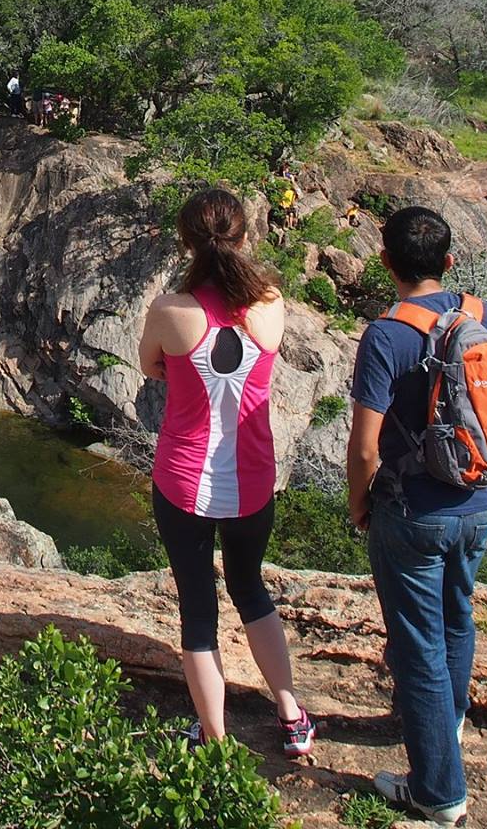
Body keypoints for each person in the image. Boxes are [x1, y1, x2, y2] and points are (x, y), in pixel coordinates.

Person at [347, 205, 487, 826]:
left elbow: (366, 445)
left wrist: (359, 503)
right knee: (457, 617)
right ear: (450, 262)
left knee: (416, 642)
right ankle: (444, 726)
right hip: (480, 502)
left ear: (385, 262)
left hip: (410, 511)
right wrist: (484, 480)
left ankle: (437, 791)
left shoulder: (387, 334)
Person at [139, 187, 317, 759]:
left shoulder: (171, 309)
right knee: (250, 587)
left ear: (186, 241)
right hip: (253, 480)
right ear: (245, 235)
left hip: (183, 482)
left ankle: (214, 740)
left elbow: (151, 365)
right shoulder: (270, 302)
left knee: (198, 606)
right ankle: (290, 714)